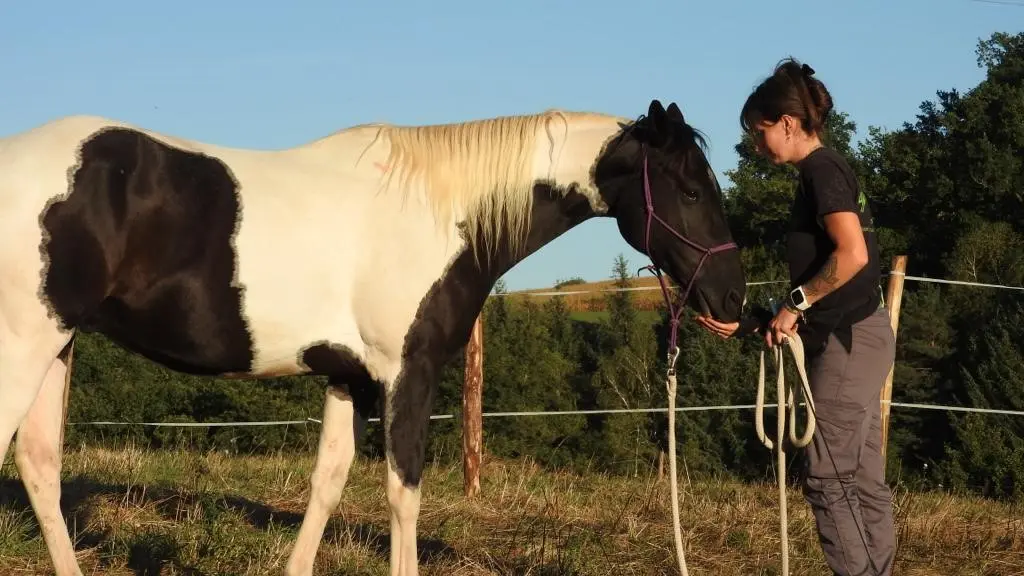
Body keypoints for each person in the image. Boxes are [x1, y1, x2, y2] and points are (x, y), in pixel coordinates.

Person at [695, 58, 897, 576]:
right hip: (855, 335)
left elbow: (851, 255)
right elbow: (825, 283)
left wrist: (793, 304)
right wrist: (751, 323)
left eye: (759, 133)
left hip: (850, 341)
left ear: (786, 121)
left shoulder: (821, 171)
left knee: (829, 476)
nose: (756, 146)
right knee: (861, 474)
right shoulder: (823, 172)